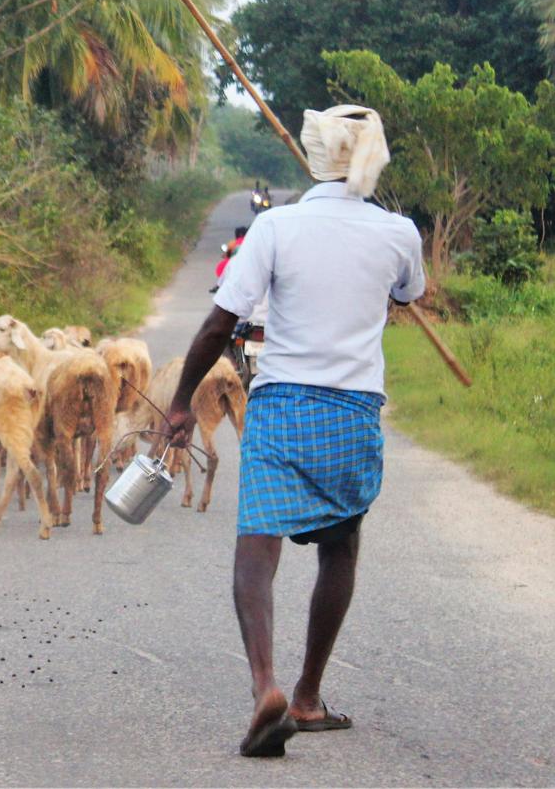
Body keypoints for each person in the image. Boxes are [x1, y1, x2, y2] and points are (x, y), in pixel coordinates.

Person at [160, 105, 425, 758]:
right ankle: (306, 696)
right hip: (352, 411)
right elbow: (409, 292)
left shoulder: (277, 226)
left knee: (258, 546)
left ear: (314, 157)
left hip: (280, 405)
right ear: (373, 161)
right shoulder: (399, 232)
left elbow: (220, 325)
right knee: (340, 547)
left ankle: (265, 689)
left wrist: (179, 403)